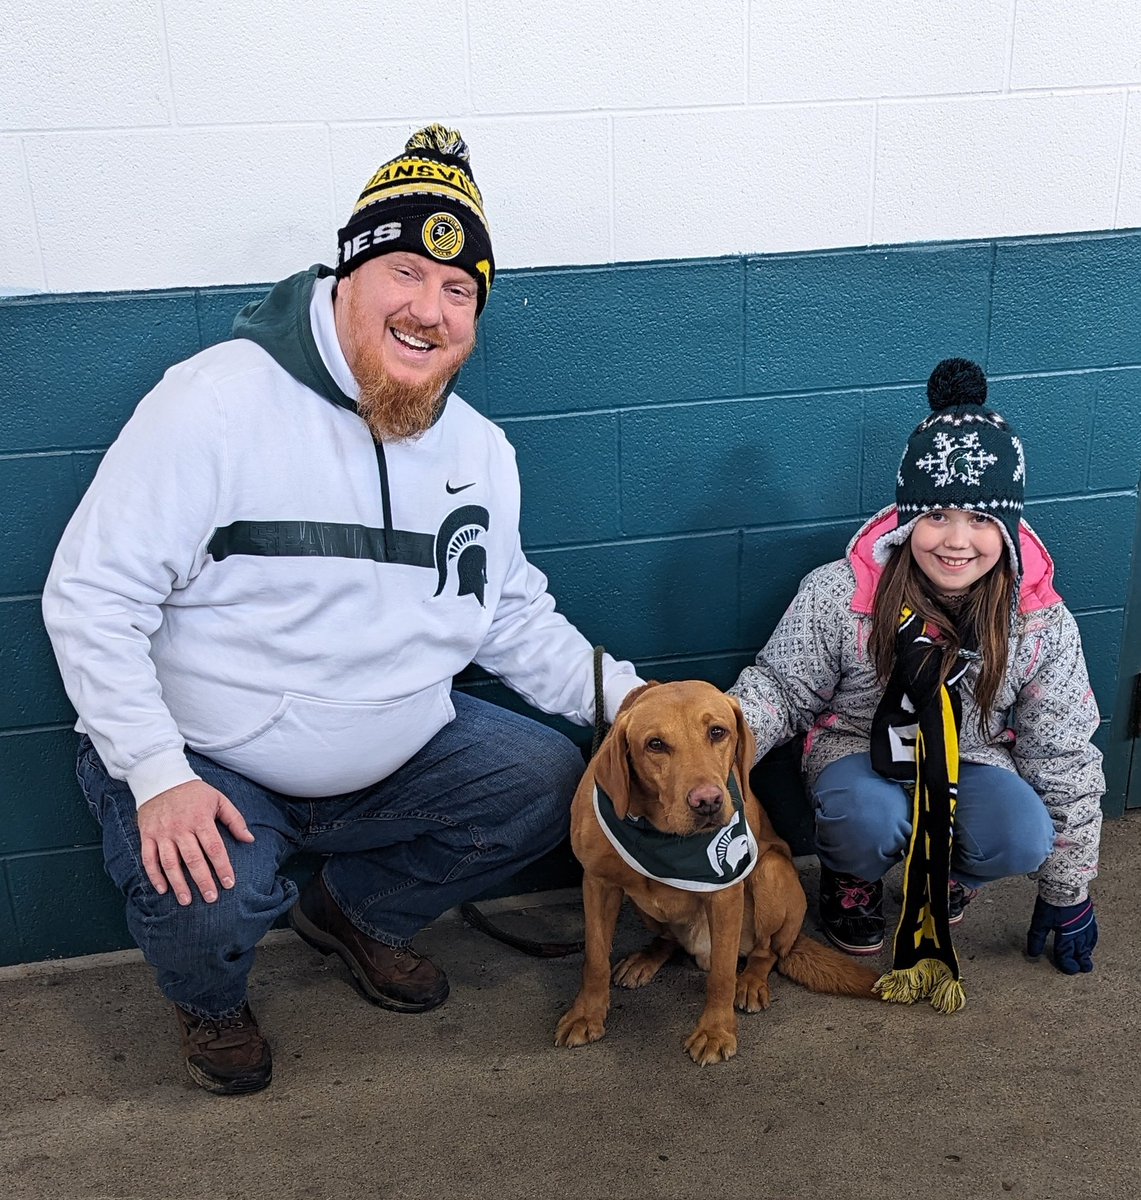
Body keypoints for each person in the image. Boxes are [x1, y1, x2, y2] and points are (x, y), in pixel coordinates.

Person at [42, 124, 641, 1094]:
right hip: (211, 757)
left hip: (392, 757)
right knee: (203, 891)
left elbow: (509, 615)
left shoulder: (479, 451)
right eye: (406, 273)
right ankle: (209, 1001)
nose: (429, 310)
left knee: (543, 780)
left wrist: (641, 706)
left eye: (459, 291)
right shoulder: (214, 402)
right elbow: (92, 595)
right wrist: (155, 774)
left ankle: (352, 914)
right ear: (347, 274)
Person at [729, 359, 1101, 1010]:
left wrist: (1068, 890)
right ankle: (852, 881)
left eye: (980, 519)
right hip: (856, 752)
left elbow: (1063, 751)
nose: (957, 541)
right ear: (907, 521)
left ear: (1008, 528)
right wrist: (709, 744)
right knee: (866, 817)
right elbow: (780, 691)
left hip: (971, 757)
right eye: (937, 517)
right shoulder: (841, 592)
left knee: (1022, 832)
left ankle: (951, 876)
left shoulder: (1037, 619)